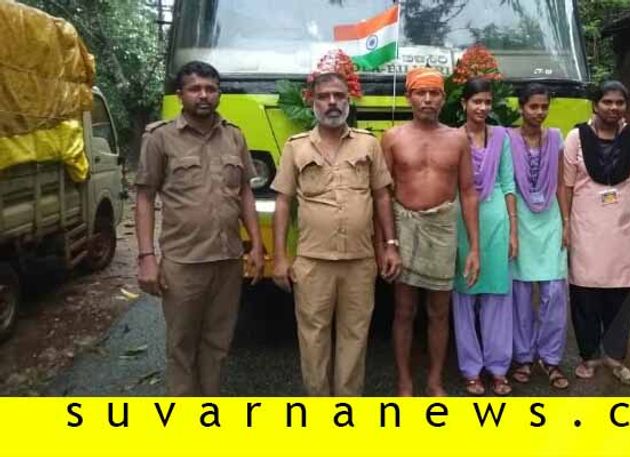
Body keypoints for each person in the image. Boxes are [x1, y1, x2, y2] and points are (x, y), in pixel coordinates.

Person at [135, 61, 264, 396]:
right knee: (182, 346)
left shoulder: (234, 136)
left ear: (219, 93)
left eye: (211, 89)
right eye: (195, 89)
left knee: (218, 344)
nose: (204, 95)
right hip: (184, 263)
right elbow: (145, 197)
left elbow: (245, 193)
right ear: (181, 95)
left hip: (227, 260)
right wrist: (147, 257)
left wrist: (258, 246)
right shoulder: (160, 138)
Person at [271, 67, 401, 396]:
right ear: (312, 102)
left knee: (355, 336)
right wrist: (280, 258)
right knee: (313, 336)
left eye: (338, 96)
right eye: (324, 97)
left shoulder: (368, 145)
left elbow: (382, 195)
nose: (332, 103)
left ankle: (347, 406)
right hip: (313, 262)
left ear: (348, 100)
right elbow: (283, 203)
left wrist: (390, 245)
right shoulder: (295, 147)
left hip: (360, 260)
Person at [379, 67, 480, 396]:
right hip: (405, 229)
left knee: (439, 311)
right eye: (420, 93)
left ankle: (435, 380)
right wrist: (387, 244)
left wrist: (474, 248)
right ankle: (404, 381)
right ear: (408, 97)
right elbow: (383, 194)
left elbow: (467, 192)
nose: (427, 99)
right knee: (404, 310)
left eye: (434, 93)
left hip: (442, 230)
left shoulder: (457, 138)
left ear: (443, 98)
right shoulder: (393, 138)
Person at [561, 80, 630, 383]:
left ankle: (614, 356)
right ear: (595, 105)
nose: (613, 108)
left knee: (622, 292)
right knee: (585, 293)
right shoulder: (576, 137)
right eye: (607, 102)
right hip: (586, 226)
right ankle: (589, 356)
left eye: (619, 103)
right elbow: (567, 185)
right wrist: (565, 224)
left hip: (624, 229)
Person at [451, 78, 516, 396]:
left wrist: (513, 230)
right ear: (463, 104)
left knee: (497, 296)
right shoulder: (452, 138)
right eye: (476, 101)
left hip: (496, 221)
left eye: (487, 102)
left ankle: (499, 368)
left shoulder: (502, 137)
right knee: (464, 296)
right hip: (462, 221)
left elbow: (508, 183)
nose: (483, 108)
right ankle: (471, 369)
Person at [507, 83, 570, 390]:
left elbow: (560, 183)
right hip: (519, 219)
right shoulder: (506, 138)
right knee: (520, 293)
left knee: (554, 292)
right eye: (533, 107)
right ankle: (523, 357)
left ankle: (551, 358)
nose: (539, 112)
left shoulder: (556, 137)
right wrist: (510, 227)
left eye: (544, 107)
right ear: (521, 107)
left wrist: (567, 222)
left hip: (550, 219)